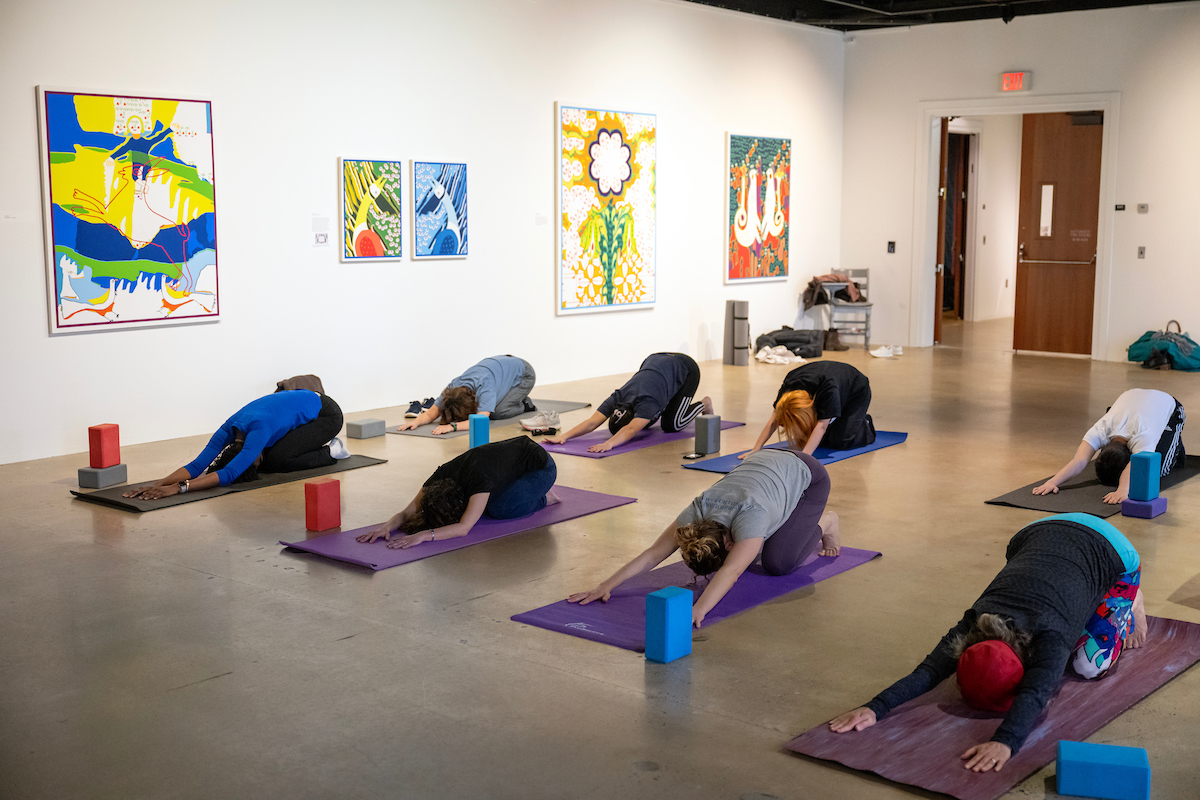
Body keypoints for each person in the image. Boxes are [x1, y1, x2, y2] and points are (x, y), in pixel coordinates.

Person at [828, 513, 1147, 774]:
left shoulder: (1052, 633)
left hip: (1113, 549)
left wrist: (1005, 742)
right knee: (1074, 612)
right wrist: (874, 707)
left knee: (1088, 665)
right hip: (1033, 534)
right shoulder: (977, 620)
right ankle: (1088, 591)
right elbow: (929, 670)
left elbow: (1036, 692)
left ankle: (1129, 602)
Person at [568, 450, 839, 625]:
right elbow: (652, 554)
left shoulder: (751, 517)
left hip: (808, 476)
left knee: (778, 563)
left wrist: (699, 609)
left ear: (729, 544)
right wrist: (605, 585)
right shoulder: (696, 512)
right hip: (768, 461)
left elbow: (732, 571)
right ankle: (786, 523)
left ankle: (826, 523)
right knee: (757, 545)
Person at [124, 390, 346, 500]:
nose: (258, 461)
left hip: (326, 414)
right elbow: (196, 466)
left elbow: (229, 473)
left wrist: (177, 488)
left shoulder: (259, 430)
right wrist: (158, 483)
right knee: (274, 456)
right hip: (298, 407)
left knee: (279, 459)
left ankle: (333, 450)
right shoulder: (229, 428)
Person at [357, 437, 559, 549]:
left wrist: (424, 536)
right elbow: (406, 512)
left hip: (541, 468)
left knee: (499, 508)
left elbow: (463, 528)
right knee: (487, 504)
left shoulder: (479, 480)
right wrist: (385, 528)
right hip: (512, 460)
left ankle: (544, 497)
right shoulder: (441, 475)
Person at [1033, 388, 1185, 504]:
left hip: (1169, 406)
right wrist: (1052, 482)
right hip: (1132, 398)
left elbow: (1136, 464)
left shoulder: (1143, 435)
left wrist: (1123, 490)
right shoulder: (1099, 430)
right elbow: (1079, 461)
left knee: (1158, 470)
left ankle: (1172, 440)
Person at [544, 353, 713, 453]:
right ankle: (667, 399)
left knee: (673, 425)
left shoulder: (648, 403)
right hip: (655, 360)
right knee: (658, 410)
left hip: (686, 368)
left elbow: (631, 429)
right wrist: (563, 437)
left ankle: (704, 403)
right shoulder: (617, 398)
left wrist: (608, 444)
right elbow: (592, 422)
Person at [743, 361, 874, 459]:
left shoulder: (828, 387)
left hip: (856, 393)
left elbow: (822, 426)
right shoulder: (789, 385)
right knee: (818, 441)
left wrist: (804, 457)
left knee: (841, 442)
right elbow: (773, 420)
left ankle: (865, 424)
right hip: (834, 387)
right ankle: (839, 423)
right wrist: (756, 449)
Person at [397, 355, 536, 436]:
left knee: (498, 412)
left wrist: (452, 427)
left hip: (523, 374)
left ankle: (524, 404)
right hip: (502, 365)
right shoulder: (452, 388)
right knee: (490, 408)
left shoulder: (485, 389)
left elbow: (481, 420)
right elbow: (431, 413)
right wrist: (416, 422)